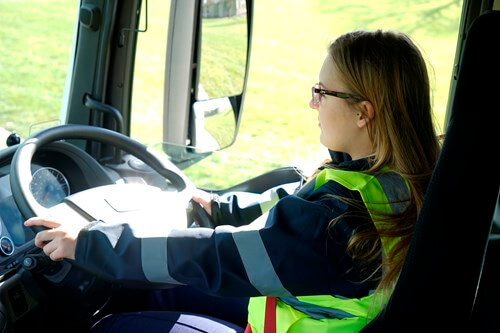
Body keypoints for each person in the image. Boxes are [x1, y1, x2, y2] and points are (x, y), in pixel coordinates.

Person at [25, 29, 440, 332]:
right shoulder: (392, 181)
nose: (311, 102)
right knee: (159, 293)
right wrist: (221, 207)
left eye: (321, 91)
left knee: (111, 328)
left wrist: (90, 243)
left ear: (362, 113)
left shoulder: (336, 224)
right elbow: (293, 207)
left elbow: (217, 257)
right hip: (299, 307)